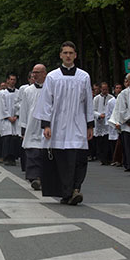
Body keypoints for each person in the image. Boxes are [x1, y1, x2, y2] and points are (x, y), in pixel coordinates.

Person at [33, 41, 94, 205]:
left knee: (78, 158)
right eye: (65, 53)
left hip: (78, 122)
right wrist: (46, 124)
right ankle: (66, 192)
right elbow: (46, 101)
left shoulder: (83, 77)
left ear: (75, 55)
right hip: (58, 124)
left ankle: (76, 189)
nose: (68, 56)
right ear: (61, 55)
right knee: (62, 161)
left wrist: (90, 125)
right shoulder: (53, 77)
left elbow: (88, 102)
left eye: (71, 53)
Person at [20, 64, 47, 190]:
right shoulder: (28, 91)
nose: (34, 75)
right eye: (33, 72)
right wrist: (23, 128)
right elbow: (24, 110)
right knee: (33, 152)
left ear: (44, 73)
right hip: (32, 125)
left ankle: (44, 177)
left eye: (37, 72)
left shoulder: (51, 89)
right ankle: (35, 177)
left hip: (46, 126)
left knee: (45, 153)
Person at [0, 74, 21, 166]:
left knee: (14, 139)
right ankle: (6, 157)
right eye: (11, 79)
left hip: (15, 119)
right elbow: (2, 106)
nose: (12, 81)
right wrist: (8, 117)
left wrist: (16, 115)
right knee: (7, 139)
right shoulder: (3, 93)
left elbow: (20, 104)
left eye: (14, 79)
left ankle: (13, 158)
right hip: (7, 120)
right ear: (7, 80)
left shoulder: (18, 92)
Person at [93, 82, 114, 165]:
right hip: (99, 122)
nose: (105, 91)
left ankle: (108, 158)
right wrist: (99, 115)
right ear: (101, 89)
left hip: (107, 121)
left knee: (107, 141)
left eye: (106, 89)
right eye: (103, 89)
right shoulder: (96, 99)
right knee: (100, 142)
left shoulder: (111, 98)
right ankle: (102, 158)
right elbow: (93, 110)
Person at [109, 83, 124, 166]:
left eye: (120, 88)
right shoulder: (111, 101)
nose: (118, 89)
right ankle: (115, 159)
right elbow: (109, 114)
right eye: (117, 88)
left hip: (123, 123)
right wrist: (114, 123)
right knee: (115, 143)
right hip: (114, 124)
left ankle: (120, 160)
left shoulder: (124, 98)